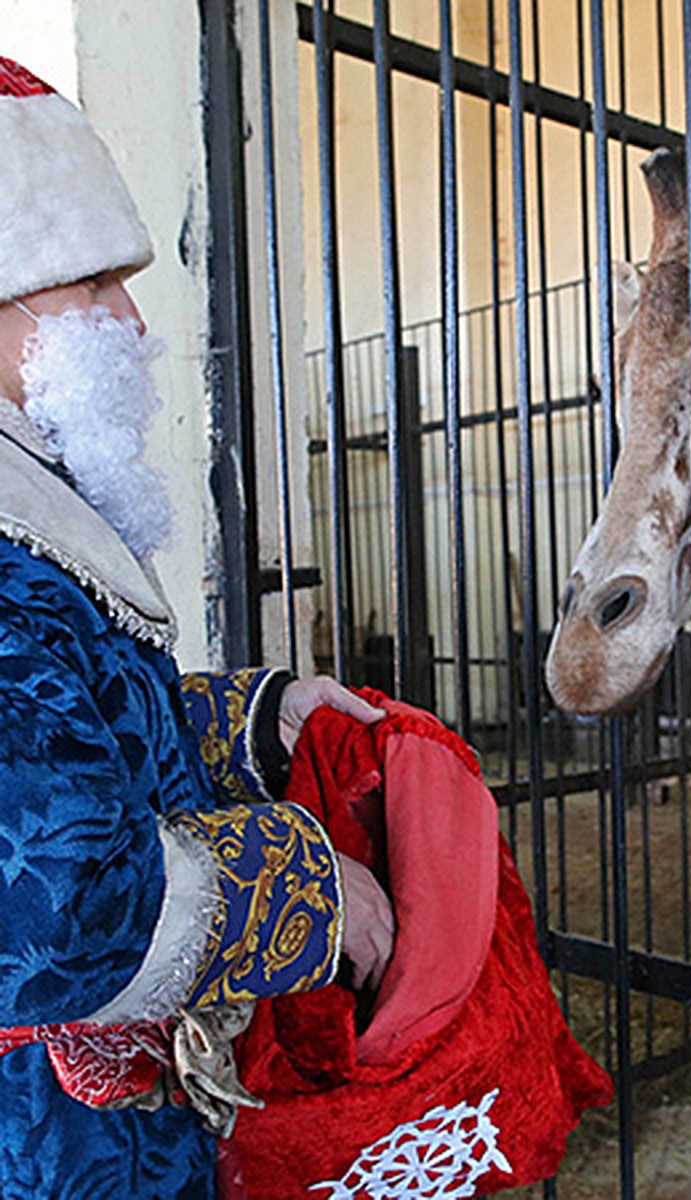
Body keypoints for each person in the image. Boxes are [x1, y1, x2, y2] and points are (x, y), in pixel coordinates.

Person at [0, 55, 396, 1197]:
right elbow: (49, 905)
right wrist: (303, 883)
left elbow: (68, 729)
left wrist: (257, 723)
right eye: (94, 285)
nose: (133, 322)